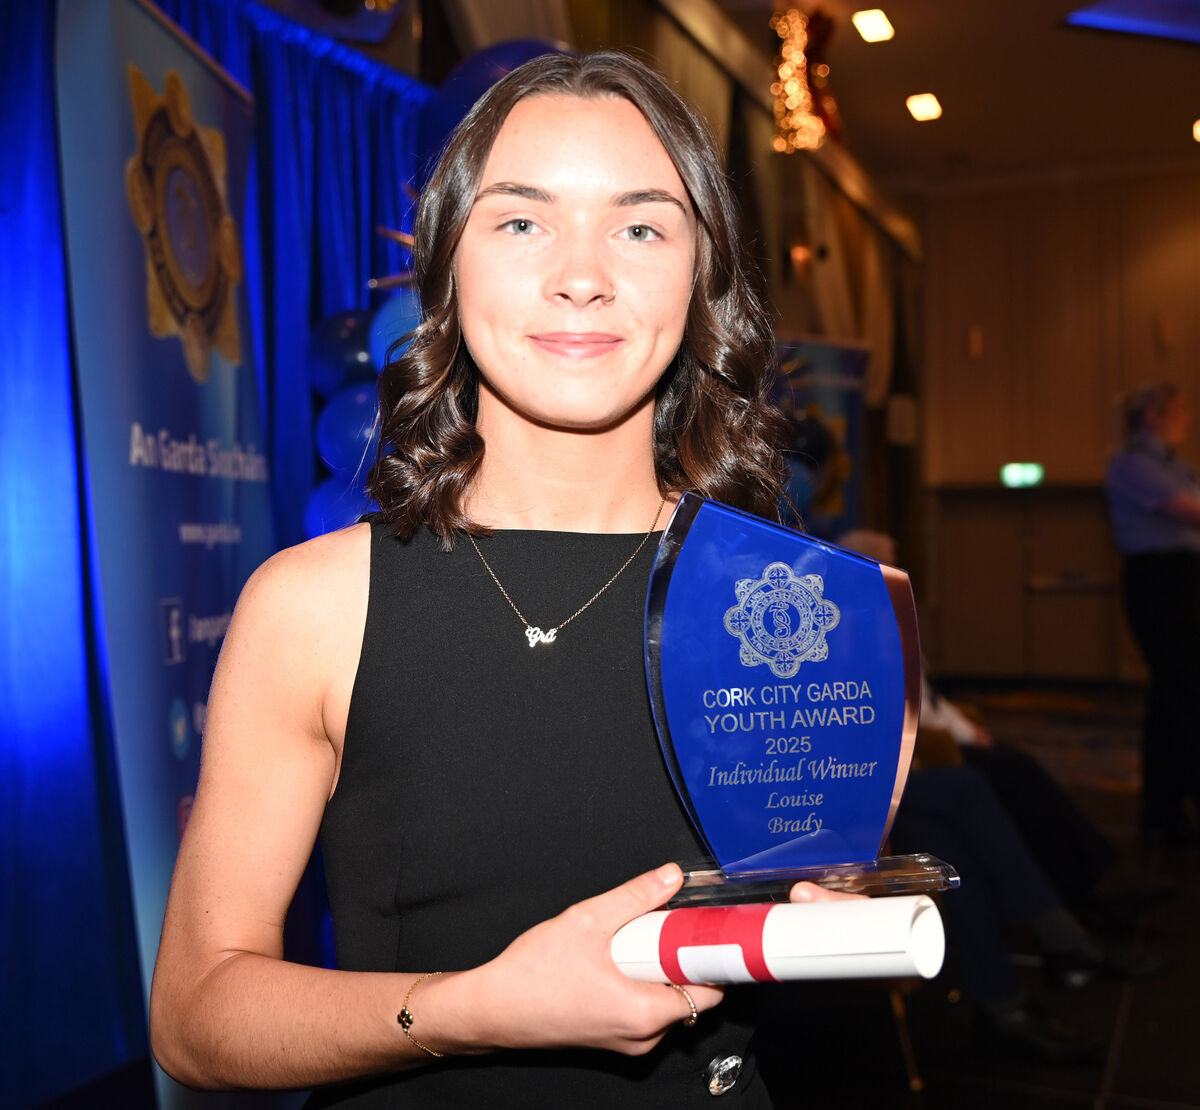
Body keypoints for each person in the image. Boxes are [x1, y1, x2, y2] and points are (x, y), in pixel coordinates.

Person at [149, 51, 855, 1108]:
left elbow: (781, 929)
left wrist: (828, 888)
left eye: (641, 225)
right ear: (448, 266)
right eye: (521, 221)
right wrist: (473, 1008)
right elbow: (197, 1017)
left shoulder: (788, 610)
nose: (582, 273)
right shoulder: (315, 607)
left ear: (703, 278)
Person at [1105, 383, 1200, 844]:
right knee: (1180, 687)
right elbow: (1188, 511)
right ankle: (1166, 810)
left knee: (1175, 693)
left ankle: (1167, 808)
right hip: (1160, 582)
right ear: (1152, 416)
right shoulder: (1134, 462)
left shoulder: (1171, 463)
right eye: (1177, 409)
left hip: (1182, 578)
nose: (1185, 417)